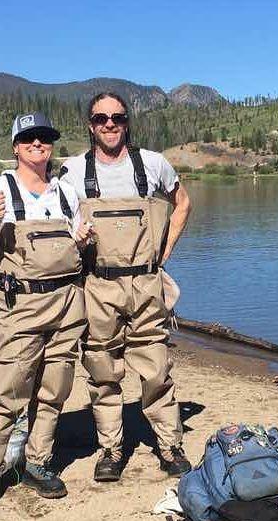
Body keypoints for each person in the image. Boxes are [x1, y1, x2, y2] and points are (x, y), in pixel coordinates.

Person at [60, 92, 192, 481]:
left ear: (127, 121)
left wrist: (163, 255)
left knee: (156, 369)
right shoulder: (71, 171)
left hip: (147, 281)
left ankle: (170, 446)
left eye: (117, 117)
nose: (110, 124)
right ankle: (111, 449)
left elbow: (182, 204)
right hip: (97, 285)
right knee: (102, 370)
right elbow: (57, 218)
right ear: (90, 125)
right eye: (101, 118)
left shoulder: (153, 164)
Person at [0, 112, 87, 515]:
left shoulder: (66, 192)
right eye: (29, 139)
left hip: (68, 302)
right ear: (16, 147)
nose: (38, 144)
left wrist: (82, 238)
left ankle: (38, 463)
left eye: (45, 138)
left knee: (54, 389)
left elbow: (76, 243)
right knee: (6, 392)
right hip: (20, 306)